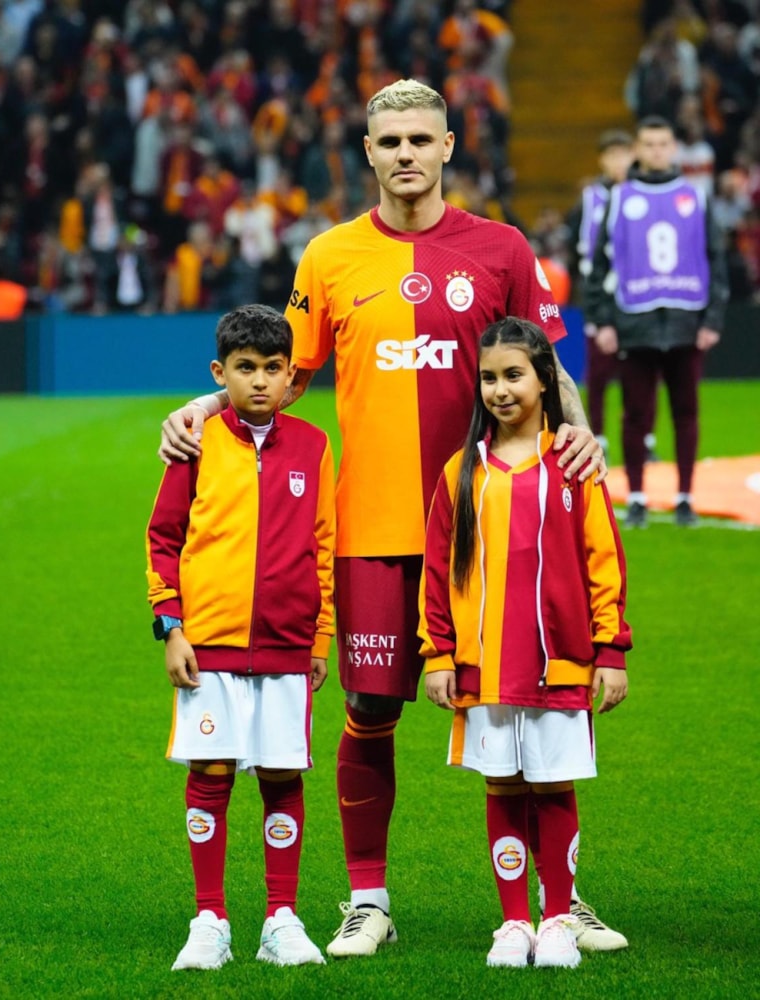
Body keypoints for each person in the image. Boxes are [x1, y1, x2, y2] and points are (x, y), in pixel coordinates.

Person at [158, 79, 621, 957]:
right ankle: (368, 900)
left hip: (494, 530)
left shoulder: (503, 248)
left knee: (534, 708)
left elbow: (545, 365)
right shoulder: (329, 257)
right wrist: (200, 406)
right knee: (370, 709)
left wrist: (583, 432)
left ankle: (559, 902)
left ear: (448, 147)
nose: (406, 153)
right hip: (372, 530)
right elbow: (279, 372)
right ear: (367, 153)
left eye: (420, 139)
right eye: (390, 141)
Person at [419, 316, 631, 969]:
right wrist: (438, 654)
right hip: (484, 668)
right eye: (489, 378)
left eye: (514, 375)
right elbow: (437, 570)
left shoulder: (574, 466)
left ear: (544, 380)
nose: (501, 389)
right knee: (504, 788)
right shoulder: (462, 471)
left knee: (554, 787)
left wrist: (611, 650)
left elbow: (604, 560)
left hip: (559, 664)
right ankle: (514, 922)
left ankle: (559, 918)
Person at [146, 304, 336, 970]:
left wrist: (320, 639)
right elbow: (163, 538)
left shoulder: (314, 445)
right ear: (218, 372)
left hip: (286, 644)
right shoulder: (195, 441)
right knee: (212, 773)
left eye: (273, 368)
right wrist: (171, 627)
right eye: (245, 368)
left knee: (282, 775)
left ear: (291, 375)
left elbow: (324, 545)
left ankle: (281, 918)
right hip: (209, 645)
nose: (260, 381)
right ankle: (210, 919)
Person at [585, 115, 729, 527]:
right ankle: (636, 498)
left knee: (686, 411)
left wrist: (712, 320)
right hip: (635, 323)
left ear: (674, 148)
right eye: (649, 144)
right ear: (638, 150)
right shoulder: (619, 197)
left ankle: (685, 498)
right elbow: (597, 266)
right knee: (635, 414)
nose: (657, 151)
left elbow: (716, 259)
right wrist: (603, 321)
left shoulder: (696, 196)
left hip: (686, 323)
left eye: (663, 144)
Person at [567, 128, 650, 462]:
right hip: (601, 295)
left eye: (623, 154)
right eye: (611, 155)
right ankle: (597, 437)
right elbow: (576, 249)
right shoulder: (589, 199)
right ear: (602, 160)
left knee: (642, 372)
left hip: (638, 296)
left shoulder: (643, 195)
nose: (618, 162)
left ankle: (644, 438)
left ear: (633, 156)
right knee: (599, 373)